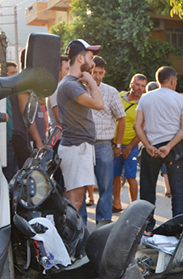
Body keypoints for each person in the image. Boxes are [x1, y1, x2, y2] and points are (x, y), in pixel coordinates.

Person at [134, 66, 183, 230]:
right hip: (174, 148)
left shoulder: (145, 98)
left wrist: (148, 146)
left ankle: (147, 227)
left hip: (151, 148)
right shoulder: (180, 99)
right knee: (178, 190)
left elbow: (137, 126)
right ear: (173, 80)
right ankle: (179, 227)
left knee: (147, 189)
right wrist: (168, 146)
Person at [56, 39, 104, 212]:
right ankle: (67, 238)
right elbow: (99, 104)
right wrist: (91, 81)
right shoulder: (70, 84)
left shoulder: (72, 84)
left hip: (78, 147)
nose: (93, 63)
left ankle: (68, 236)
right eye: (91, 58)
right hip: (76, 148)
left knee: (74, 199)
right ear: (80, 59)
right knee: (75, 201)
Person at [80, 56, 126, 223]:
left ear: (104, 73)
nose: (97, 76)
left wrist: (118, 145)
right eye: (94, 72)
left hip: (104, 144)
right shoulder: (79, 89)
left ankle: (103, 222)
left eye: (100, 73)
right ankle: (81, 222)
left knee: (106, 187)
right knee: (81, 186)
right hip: (83, 143)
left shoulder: (111, 92)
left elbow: (122, 118)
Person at [113, 74, 147, 208]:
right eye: (137, 84)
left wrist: (129, 147)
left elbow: (142, 130)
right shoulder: (119, 97)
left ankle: (134, 207)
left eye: (143, 86)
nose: (139, 88)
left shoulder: (144, 103)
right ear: (131, 84)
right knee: (115, 176)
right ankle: (117, 203)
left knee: (130, 176)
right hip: (115, 144)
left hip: (131, 145)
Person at [10, 49, 45, 169]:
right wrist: (38, 141)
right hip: (26, 139)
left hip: (33, 140)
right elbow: (27, 113)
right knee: (29, 179)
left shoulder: (31, 81)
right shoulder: (24, 81)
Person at [144, 81, 173, 198]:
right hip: (167, 140)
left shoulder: (146, 102)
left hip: (153, 140)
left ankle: (167, 188)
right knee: (165, 165)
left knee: (151, 172)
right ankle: (168, 187)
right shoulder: (167, 101)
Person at [2, 62, 19, 181]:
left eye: (16, 73)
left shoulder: (15, 93)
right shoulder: (3, 94)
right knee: (9, 176)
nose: (15, 76)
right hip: (6, 142)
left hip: (14, 140)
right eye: (12, 73)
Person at [47, 56, 70, 127]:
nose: (70, 72)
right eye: (67, 69)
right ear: (58, 70)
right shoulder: (54, 89)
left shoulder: (65, 87)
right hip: (60, 136)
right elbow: (59, 118)